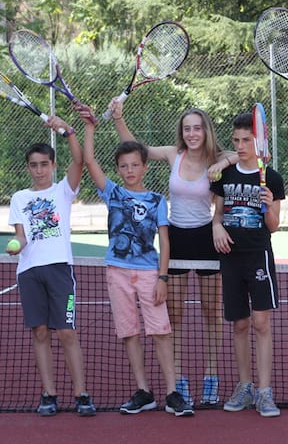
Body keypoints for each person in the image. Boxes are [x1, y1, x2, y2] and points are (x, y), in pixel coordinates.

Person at [109, 99, 234, 406]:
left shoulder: (217, 158)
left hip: (207, 238)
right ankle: (177, 378)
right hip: (175, 238)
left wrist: (223, 163)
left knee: (211, 311)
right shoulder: (173, 154)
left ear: (206, 130)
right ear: (182, 132)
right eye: (187, 128)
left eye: (197, 128)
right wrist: (118, 118)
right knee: (173, 313)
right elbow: (136, 148)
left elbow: (243, 154)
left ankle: (211, 374)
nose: (192, 134)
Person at [81, 104, 193, 417]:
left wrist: (163, 277)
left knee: (160, 332)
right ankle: (144, 391)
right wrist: (90, 127)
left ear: (145, 167)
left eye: (135, 165)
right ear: (119, 170)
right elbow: (89, 160)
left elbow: (165, 241)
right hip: (117, 271)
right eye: (124, 166)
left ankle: (173, 393)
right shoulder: (113, 193)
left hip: (149, 274)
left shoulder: (157, 200)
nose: (130, 170)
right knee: (129, 333)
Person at [7, 116, 96, 417]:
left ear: (53, 166)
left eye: (44, 164)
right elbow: (20, 236)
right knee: (40, 333)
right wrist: (16, 245)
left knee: (67, 333)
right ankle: (49, 394)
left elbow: (80, 160)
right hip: (29, 272)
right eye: (34, 165)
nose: (39, 170)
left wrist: (68, 130)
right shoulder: (19, 198)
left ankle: (81, 394)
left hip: (60, 270)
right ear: (28, 168)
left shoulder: (63, 191)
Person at [210, 111, 285, 418]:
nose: (241, 146)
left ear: (259, 141)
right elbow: (217, 213)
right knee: (239, 324)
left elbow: (274, 225)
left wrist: (268, 206)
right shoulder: (225, 176)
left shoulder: (272, 178)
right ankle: (245, 386)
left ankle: (265, 392)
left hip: (258, 256)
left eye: (247, 140)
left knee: (261, 324)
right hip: (230, 259)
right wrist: (216, 226)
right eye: (237, 140)